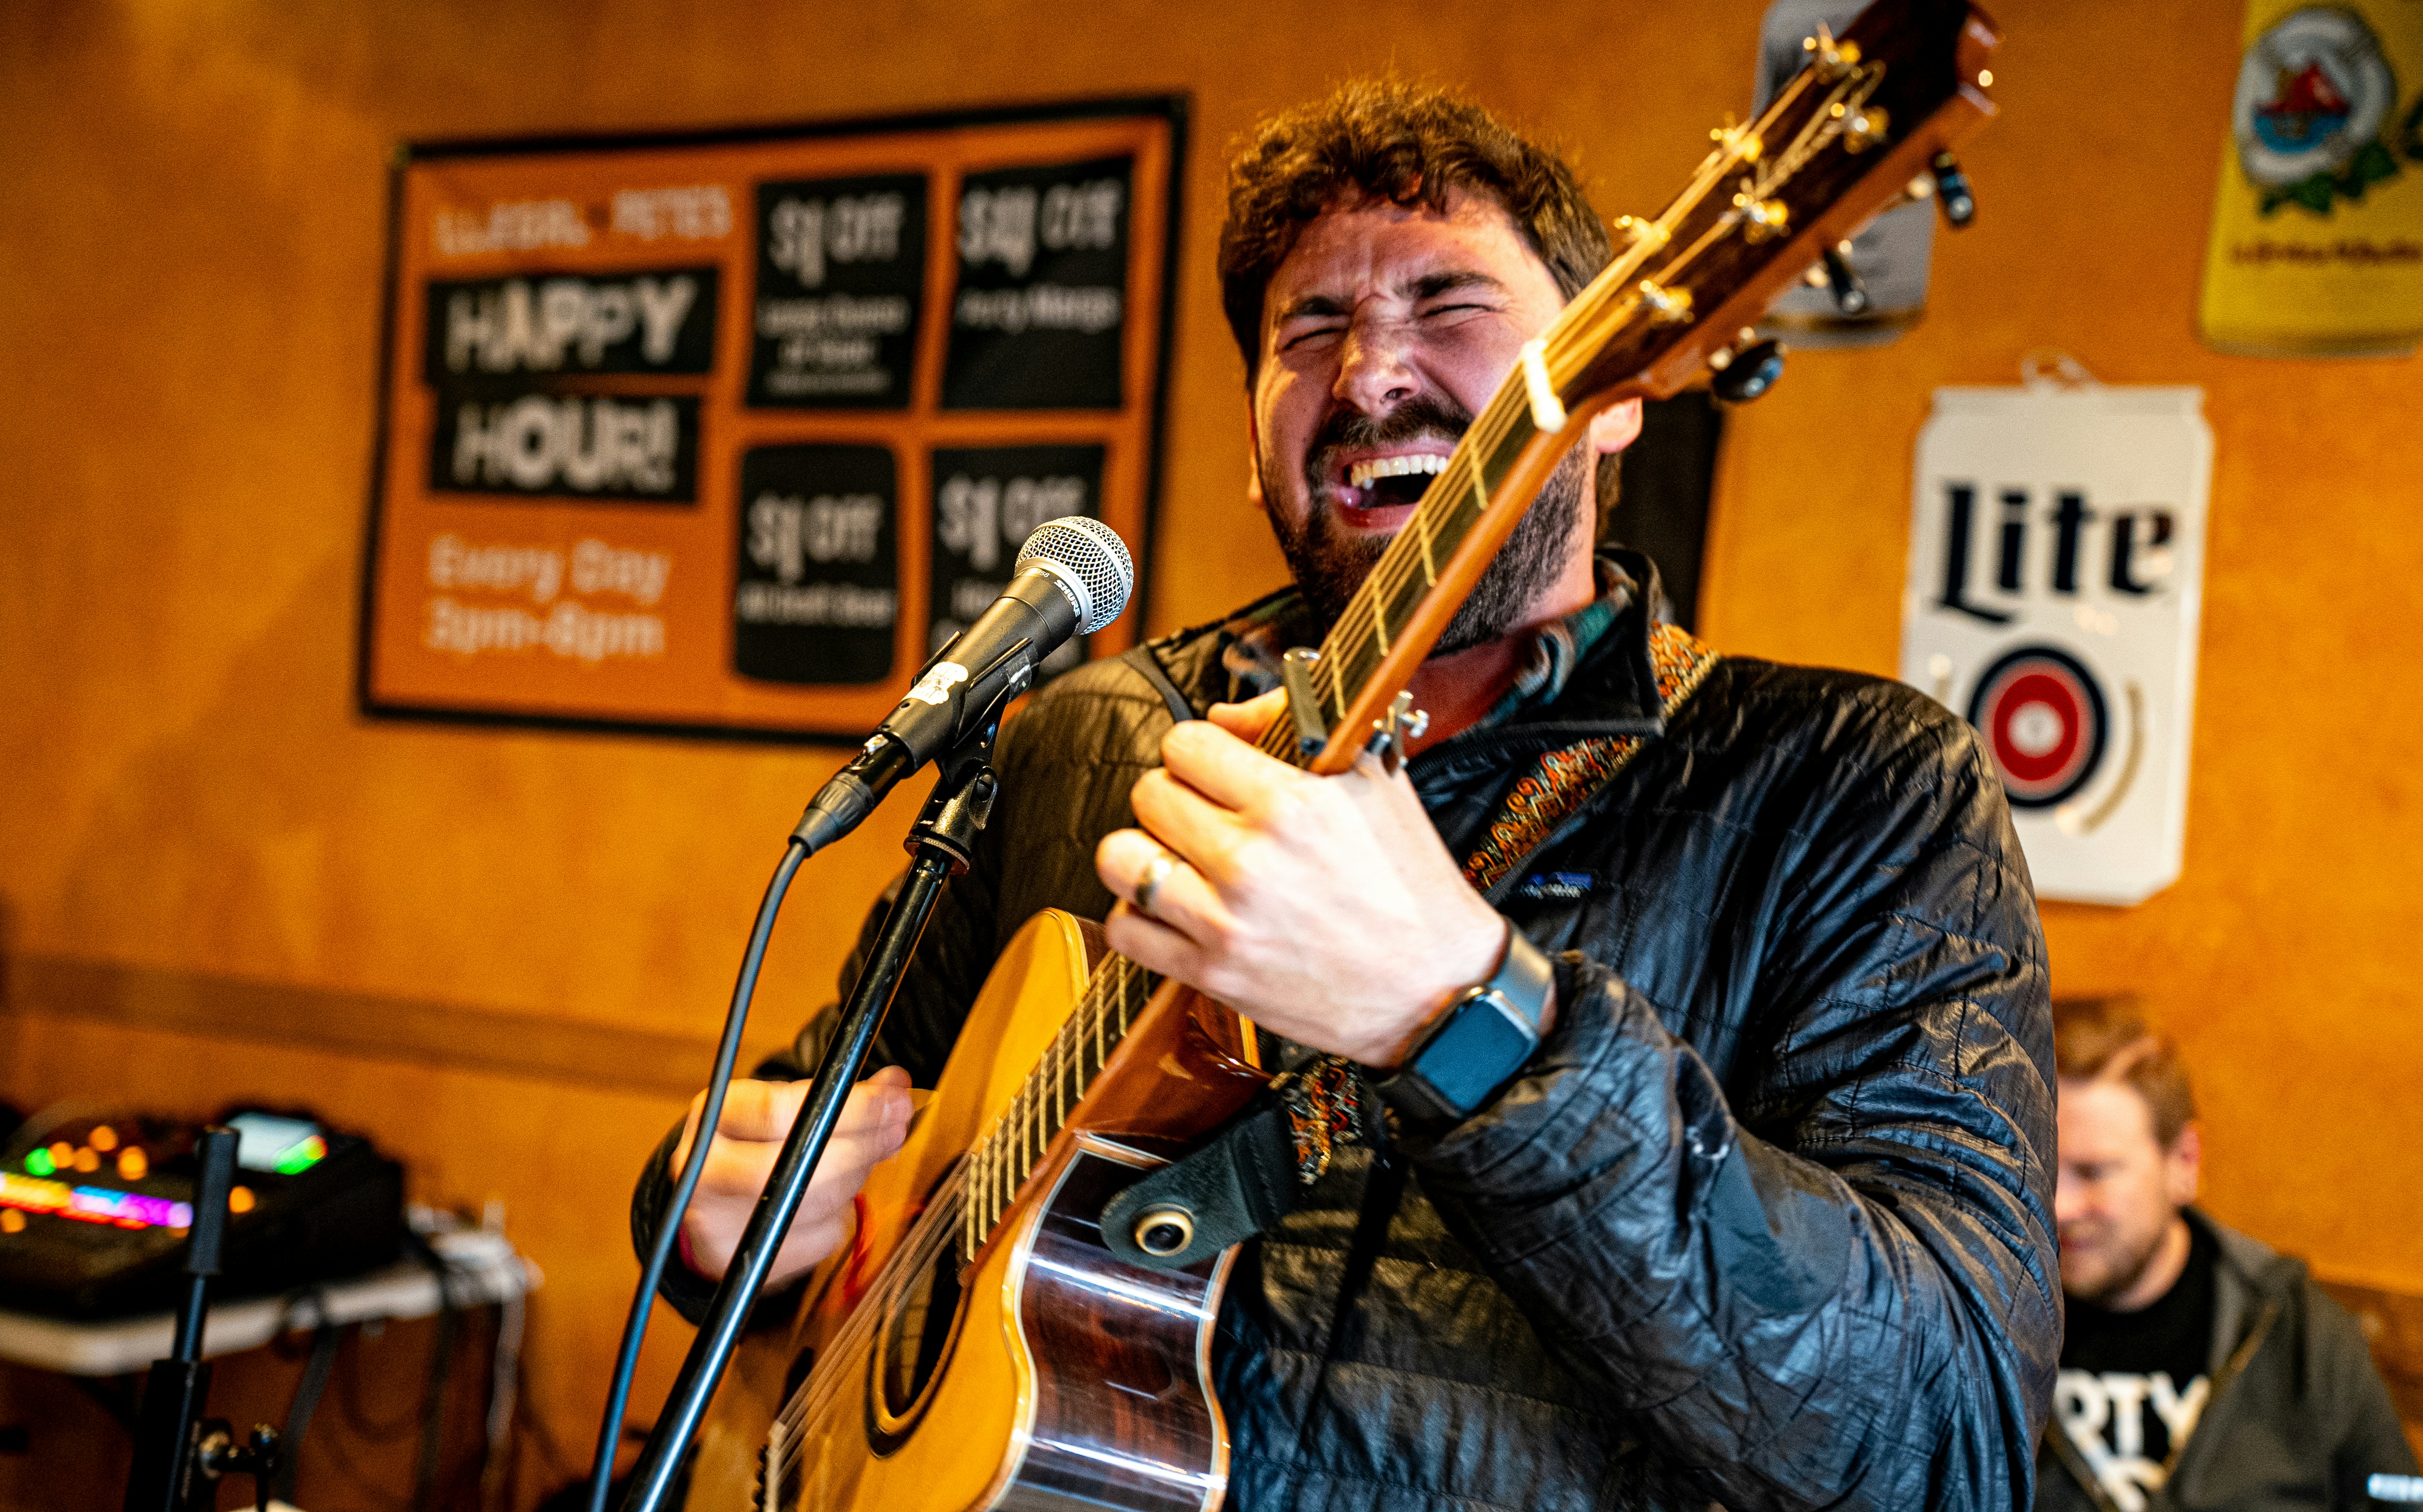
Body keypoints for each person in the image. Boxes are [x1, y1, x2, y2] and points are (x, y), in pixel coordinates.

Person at [634, 79, 2061, 1509]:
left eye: (1449, 303)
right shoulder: (1088, 736)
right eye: (1309, 328)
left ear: (1619, 388)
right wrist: (711, 1218)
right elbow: (833, 1127)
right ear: (1252, 429)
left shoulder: (1864, 787)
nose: (1371, 375)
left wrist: (1469, 1015)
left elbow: (1947, 1440)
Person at [2039, 996, 2416, 1512]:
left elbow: (2398, 1498)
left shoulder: (2296, 1330)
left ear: (2183, 1162)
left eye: (2094, 1172)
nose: (2059, 1206)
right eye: (2042, 1169)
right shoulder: (1984, 1321)